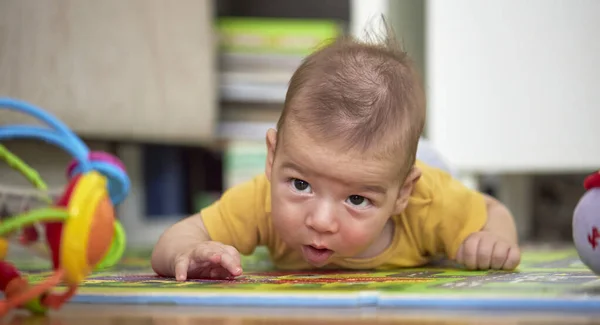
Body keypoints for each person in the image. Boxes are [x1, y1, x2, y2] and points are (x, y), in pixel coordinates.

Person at [151, 27, 521, 281]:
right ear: (272, 157)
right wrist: (192, 252)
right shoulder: (261, 200)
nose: (321, 221)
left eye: (357, 199)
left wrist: (495, 240)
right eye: (300, 185)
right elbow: (175, 240)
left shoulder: (429, 202)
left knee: (426, 160)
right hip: (387, 169)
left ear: (401, 195)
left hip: (427, 168)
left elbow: (493, 211)